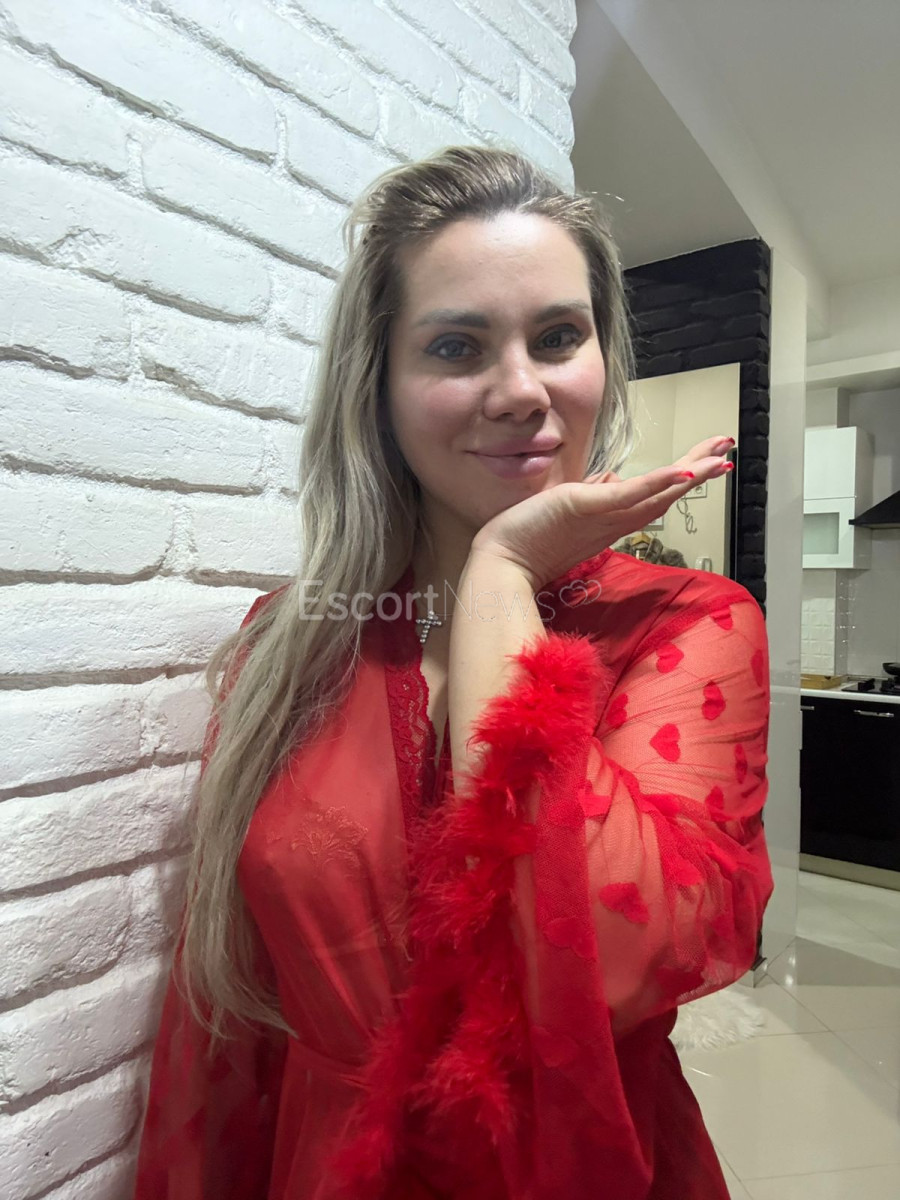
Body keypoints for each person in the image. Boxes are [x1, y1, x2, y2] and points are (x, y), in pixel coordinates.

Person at [133, 145, 773, 1200]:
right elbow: (223, 1021)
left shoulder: (688, 622)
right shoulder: (291, 640)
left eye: (558, 337)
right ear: (380, 387)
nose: (521, 390)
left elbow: (611, 955)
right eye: (456, 346)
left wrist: (501, 575)